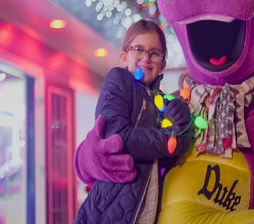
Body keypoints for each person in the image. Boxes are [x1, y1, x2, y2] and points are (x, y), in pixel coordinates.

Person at [73, 19, 192, 224]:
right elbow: (117, 137)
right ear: (124, 56)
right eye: (139, 49)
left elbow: (173, 151)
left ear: (162, 64)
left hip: (148, 210)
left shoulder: (159, 102)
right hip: (109, 214)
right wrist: (171, 140)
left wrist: (182, 119)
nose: (146, 58)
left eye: (154, 53)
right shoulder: (118, 79)